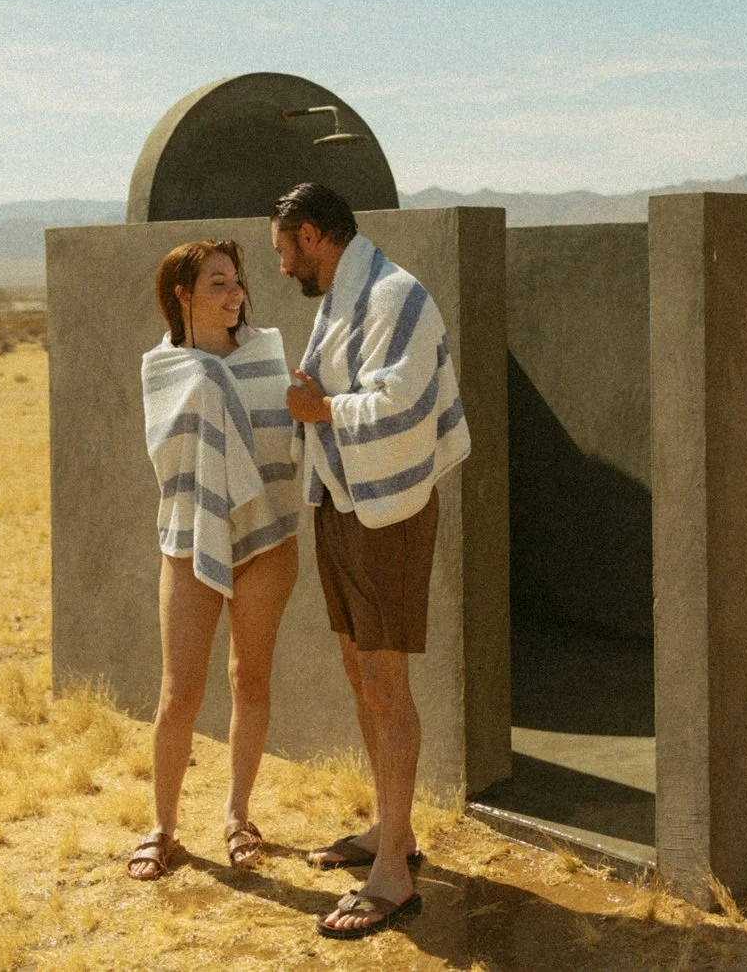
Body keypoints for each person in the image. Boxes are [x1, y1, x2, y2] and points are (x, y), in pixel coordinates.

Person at [271, 183, 470, 940]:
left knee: (387, 683)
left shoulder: (397, 296)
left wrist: (321, 410)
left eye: (286, 248)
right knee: (361, 671)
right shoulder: (341, 297)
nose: (284, 264)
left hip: (388, 513)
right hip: (341, 501)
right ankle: (397, 832)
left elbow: (403, 401)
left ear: (314, 236)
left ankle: (393, 874)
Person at [128, 239, 302, 880]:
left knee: (249, 681)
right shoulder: (164, 368)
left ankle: (237, 816)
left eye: (237, 283)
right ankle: (163, 828)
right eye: (218, 285)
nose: (234, 296)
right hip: (189, 534)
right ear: (183, 294)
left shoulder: (268, 354)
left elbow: (289, 438)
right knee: (180, 694)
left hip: (267, 538)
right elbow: (166, 455)